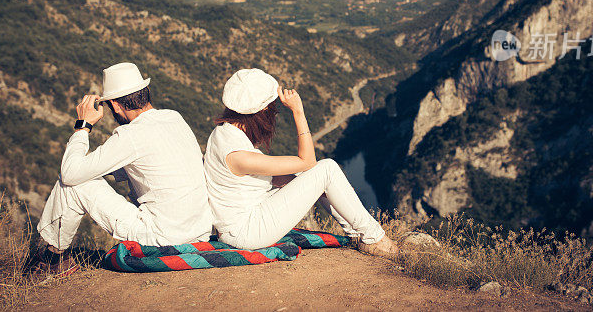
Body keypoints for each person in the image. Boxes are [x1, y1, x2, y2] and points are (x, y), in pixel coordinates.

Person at [34, 62, 213, 276]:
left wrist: (83, 126)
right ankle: (52, 259)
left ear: (116, 106)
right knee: (82, 175)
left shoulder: (130, 135)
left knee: (72, 185)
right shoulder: (174, 118)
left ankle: (53, 260)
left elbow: (71, 174)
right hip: (200, 232)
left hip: (164, 238)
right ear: (145, 93)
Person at [203, 68, 399, 258]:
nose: (275, 112)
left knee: (314, 177)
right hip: (248, 232)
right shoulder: (238, 156)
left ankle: (358, 234)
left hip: (243, 221)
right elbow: (308, 161)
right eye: (272, 107)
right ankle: (374, 238)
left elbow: (266, 178)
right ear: (262, 110)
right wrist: (298, 111)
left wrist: (307, 184)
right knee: (327, 169)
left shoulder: (223, 133)